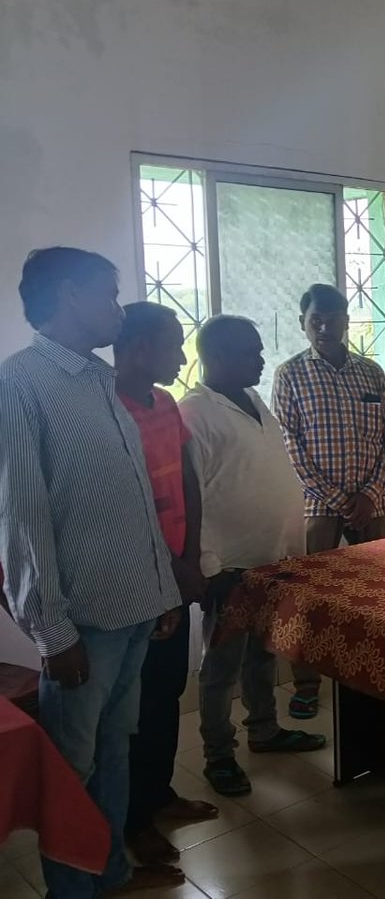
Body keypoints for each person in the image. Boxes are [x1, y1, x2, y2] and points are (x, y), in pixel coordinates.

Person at [0, 248, 185, 895]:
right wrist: (52, 632)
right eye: (108, 293)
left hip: (135, 605)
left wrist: (162, 585)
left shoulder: (98, 378)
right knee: (71, 768)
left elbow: (134, 495)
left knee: (113, 751)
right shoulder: (20, 382)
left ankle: (109, 876)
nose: (117, 306)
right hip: (84, 624)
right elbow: (21, 518)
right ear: (71, 295)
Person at [179, 315, 325, 798]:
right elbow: (189, 495)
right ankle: (219, 754)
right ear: (218, 356)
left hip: (271, 560)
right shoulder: (194, 414)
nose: (262, 359)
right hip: (228, 567)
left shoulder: (255, 399)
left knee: (263, 654)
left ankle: (264, 730)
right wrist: (206, 565)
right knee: (220, 668)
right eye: (251, 352)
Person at [113, 302, 220, 866]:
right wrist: (169, 566)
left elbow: (187, 481)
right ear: (136, 348)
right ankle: (132, 822)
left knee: (166, 689)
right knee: (133, 705)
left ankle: (157, 794)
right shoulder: (107, 408)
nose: (181, 358)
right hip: (135, 580)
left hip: (175, 571)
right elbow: (123, 506)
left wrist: (189, 557)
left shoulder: (164, 405)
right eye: (172, 345)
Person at [272, 284, 385, 719]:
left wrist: (370, 494)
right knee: (312, 599)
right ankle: (306, 685)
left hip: (372, 503)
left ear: (347, 320)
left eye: (333, 318)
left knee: (375, 596)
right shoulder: (289, 375)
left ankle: (371, 674)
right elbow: (290, 446)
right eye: (315, 320)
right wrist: (340, 499)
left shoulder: (371, 373)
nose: (325, 327)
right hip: (318, 504)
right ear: (302, 324)